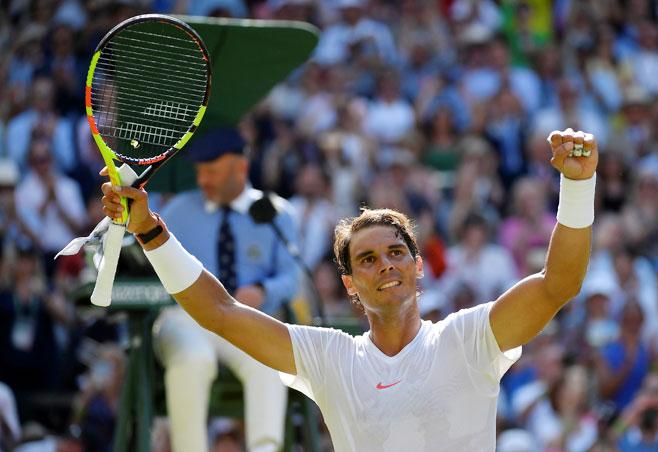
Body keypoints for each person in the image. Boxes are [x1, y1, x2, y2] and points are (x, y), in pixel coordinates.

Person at [100, 128, 597, 450]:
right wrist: (149, 231)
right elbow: (220, 312)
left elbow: (560, 283)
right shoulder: (329, 357)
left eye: (396, 252)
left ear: (418, 266)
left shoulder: (468, 338)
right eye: (367, 259)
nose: (385, 264)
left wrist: (577, 189)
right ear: (350, 285)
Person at [150, 127, 300, 452]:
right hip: (186, 315)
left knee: (267, 359)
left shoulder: (276, 212)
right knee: (192, 358)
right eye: (200, 171)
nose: (204, 180)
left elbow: (292, 277)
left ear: (240, 168)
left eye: (213, 171)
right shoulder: (176, 212)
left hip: (245, 317)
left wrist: (263, 290)